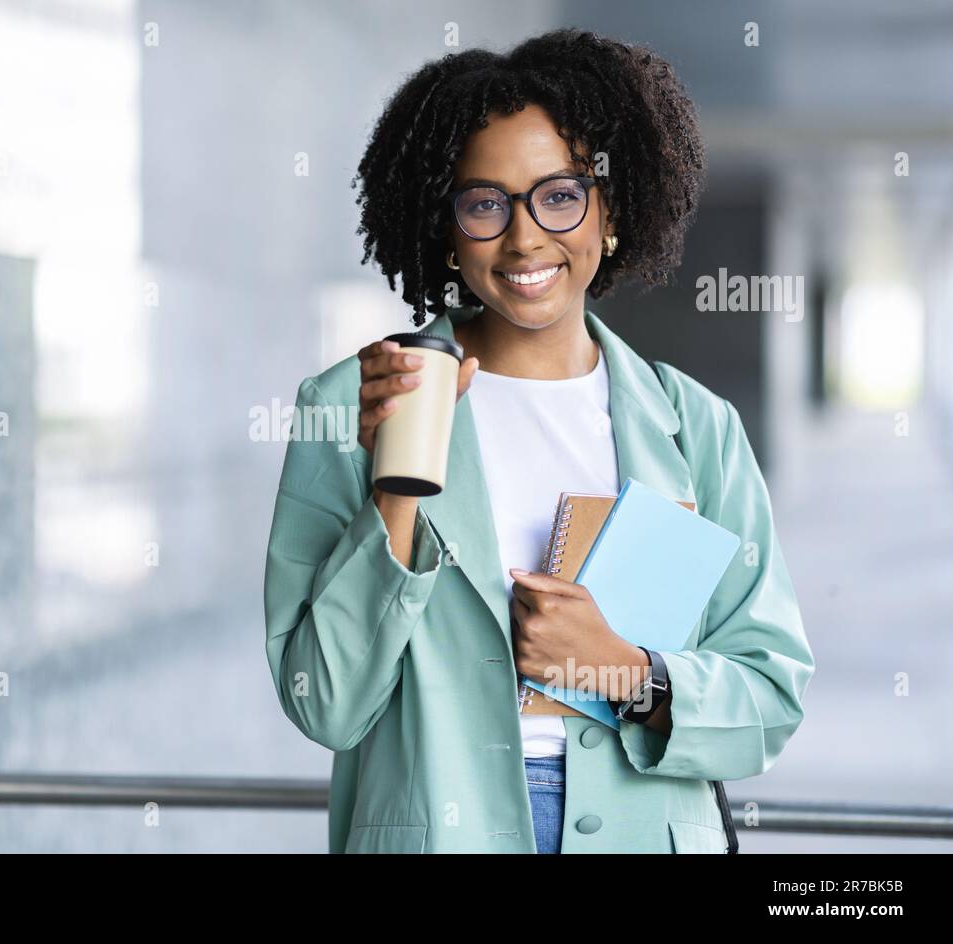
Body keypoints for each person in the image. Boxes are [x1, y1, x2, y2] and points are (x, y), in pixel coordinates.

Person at [263, 29, 814, 853]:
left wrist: (624, 671)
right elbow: (326, 704)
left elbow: (768, 699)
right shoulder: (355, 404)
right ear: (447, 228)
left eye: (559, 195)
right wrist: (393, 491)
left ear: (612, 209)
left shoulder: (697, 429)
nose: (524, 239)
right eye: (484, 203)